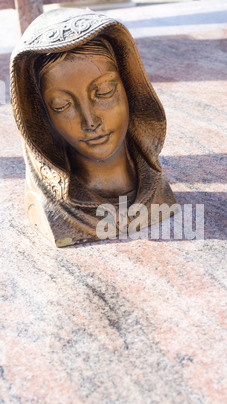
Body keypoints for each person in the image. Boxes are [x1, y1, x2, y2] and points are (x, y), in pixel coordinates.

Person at [10, 8, 177, 247]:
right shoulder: (56, 211)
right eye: (62, 105)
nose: (90, 121)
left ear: (129, 89)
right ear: (40, 118)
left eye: (104, 92)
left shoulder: (155, 190)